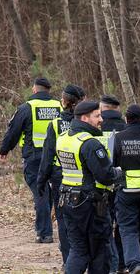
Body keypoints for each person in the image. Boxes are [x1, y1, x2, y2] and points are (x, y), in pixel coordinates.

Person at [56, 100, 122, 274]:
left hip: (68, 201)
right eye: (97, 115)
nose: (101, 119)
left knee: (78, 250)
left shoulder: (63, 138)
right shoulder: (90, 144)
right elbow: (106, 176)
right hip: (91, 206)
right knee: (100, 253)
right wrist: (118, 172)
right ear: (85, 118)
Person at [0, 77, 62, 243]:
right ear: (48, 90)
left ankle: (44, 233)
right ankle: (65, 232)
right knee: (57, 193)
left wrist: (4, 150)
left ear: (34, 89)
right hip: (57, 156)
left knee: (40, 192)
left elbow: (13, 131)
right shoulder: (59, 106)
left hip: (35, 157)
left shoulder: (27, 108)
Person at [37, 84, 86, 265]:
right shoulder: (85, 122)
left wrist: (41, 180)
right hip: (83, 176)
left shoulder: (56, 124)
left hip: (61, 177)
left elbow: (47, 155)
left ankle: (69, 260)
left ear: (63, 102)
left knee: (64, 219)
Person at [112, 104, 140, 274]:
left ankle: (134, 264)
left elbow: (113, 164)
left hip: (126, 192)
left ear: (127, 119)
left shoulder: (118, 138)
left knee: (128, 229)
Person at [98, 94, 126, 274]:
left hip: (102, 182)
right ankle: (122, 263)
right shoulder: (125, 127)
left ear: (103, 108)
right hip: (122, 182)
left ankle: (110, 263)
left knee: (105, 225)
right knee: (122, 225)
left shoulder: (95, 127)